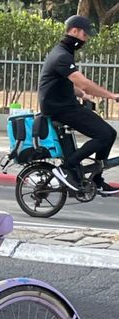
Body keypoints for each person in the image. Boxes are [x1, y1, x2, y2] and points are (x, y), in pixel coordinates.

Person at [38, 14, 119, 194]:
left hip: (64, 104)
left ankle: (97, 180)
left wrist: (82, 94)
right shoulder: (61, 56)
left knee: (109, 133)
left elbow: (65, 84)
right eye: (85, 35)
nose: (86, 39)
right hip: (59, 108)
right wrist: (111, 96)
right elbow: (83, 83)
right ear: (74, 31)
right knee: (104, 135)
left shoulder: (64, 53)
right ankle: (67, 167)